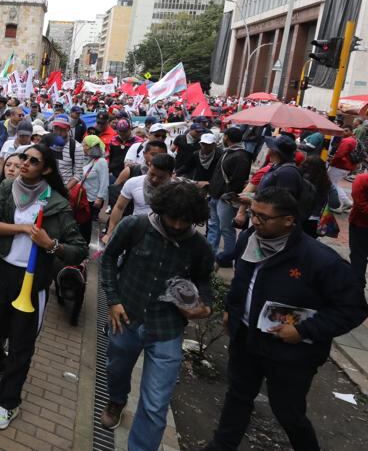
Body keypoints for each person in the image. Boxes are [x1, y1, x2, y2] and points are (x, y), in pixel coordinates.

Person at [200, 188, 368, 451]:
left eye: (263, 217)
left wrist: (304, 330)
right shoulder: (249, 240)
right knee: (237, 397)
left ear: (289, 220)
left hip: (290, 352)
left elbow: (353, 308)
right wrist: (232, 310)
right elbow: (242, 281)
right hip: (247, 339)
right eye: (253, 213)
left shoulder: (320, 261)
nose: (255, 221)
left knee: (287, 411)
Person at [0, 143, 88, 429]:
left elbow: (78, 249)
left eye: (33, 160)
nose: (24, 162)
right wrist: (24, 229)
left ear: (47, 169)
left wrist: (50, 244)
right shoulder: (7, 188)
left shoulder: (58, 204)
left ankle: (8, 403)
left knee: (21, 345)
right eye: (23, 157)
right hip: (0, 269)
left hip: (33, 280)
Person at [99, 181, 214, 449]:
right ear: (160, 209)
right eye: (172, 218)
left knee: (155, 404)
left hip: (167, 330)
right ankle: (116, 400)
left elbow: (204, 283)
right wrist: (113, 301)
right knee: (115, 370)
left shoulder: (199, 247)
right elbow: (107, 259)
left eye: (184, 221)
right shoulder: (135, 226)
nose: (176, 226)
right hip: (126, 320)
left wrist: (204, 307)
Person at [206, 127, 252, 267]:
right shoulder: (230, 153)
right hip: (216, 196)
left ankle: (227, 256)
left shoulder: (241, 156)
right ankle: (210, 253)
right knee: (214, 226)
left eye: (224, 136)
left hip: (225, 199)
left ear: (226, 137)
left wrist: (228, 195)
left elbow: (238, 180)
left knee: (226, 229)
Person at [105, 152, 176, 242]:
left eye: (161, 177)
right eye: (152, 174)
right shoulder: (133, 183)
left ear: (171, 174)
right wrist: (110, 233)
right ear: (149, 166)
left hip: (162, 238)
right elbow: (119, 207)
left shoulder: (176, 190)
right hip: (135, 232)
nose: (154, 180)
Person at [79, 134, 109, 244]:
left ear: (92, 147)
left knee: (86, 224)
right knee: (82, 222)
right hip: (83, 197)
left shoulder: (101, 162)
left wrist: (99, 198)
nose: (83, 147)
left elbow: (104, 181)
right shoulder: (89, 160)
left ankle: (85, 245)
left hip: (92, 199)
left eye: (85, 144)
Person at [328, 125, 357, 210]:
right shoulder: (354, 140)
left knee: (332, 184)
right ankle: (346, 202)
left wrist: (331, 162)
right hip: (347, 166)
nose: (344, 132)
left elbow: (340, 154)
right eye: (343, 130)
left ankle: (346, 201)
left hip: (340, 166)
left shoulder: (346, 141)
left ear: (351, 131)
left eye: (346, 130)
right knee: (335, 183)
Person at [350, 171, 368, 287]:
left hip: (360, 225)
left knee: (358, 257)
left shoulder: (362, 179)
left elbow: (359, 203)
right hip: (360, 224)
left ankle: (357, 287)